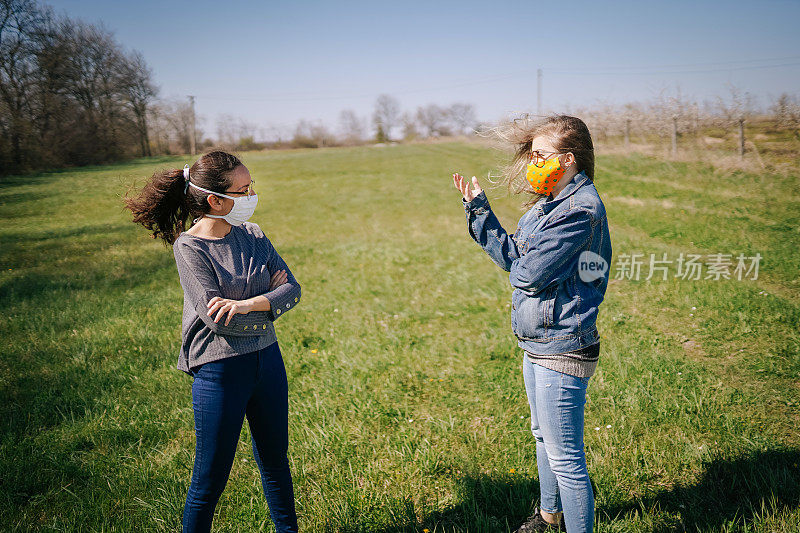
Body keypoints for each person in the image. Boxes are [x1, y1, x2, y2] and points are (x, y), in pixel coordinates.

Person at [124, 150, 301, 532]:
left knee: (276, 462)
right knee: (209, 480)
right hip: (219, 371)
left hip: (268, 361)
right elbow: (216, 320)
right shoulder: (189, 248)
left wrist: (249, 304)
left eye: (251, 186)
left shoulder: (253, 235)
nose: (251, 195)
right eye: (244, 189)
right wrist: (270, 305)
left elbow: (294, 288)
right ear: (215, 200)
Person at [452, 115, 612, 533]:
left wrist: (523, 263)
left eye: (539, 156)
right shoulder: (548, 206)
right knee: (543, 436)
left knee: (567, 459)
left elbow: (527, 275)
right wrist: (479, 210)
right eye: (530, 156)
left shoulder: (580, 212)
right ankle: (547, 518)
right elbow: (513, 259)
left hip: (564, 344)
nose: (531, 165)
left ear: (569, 159)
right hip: (539, 339)